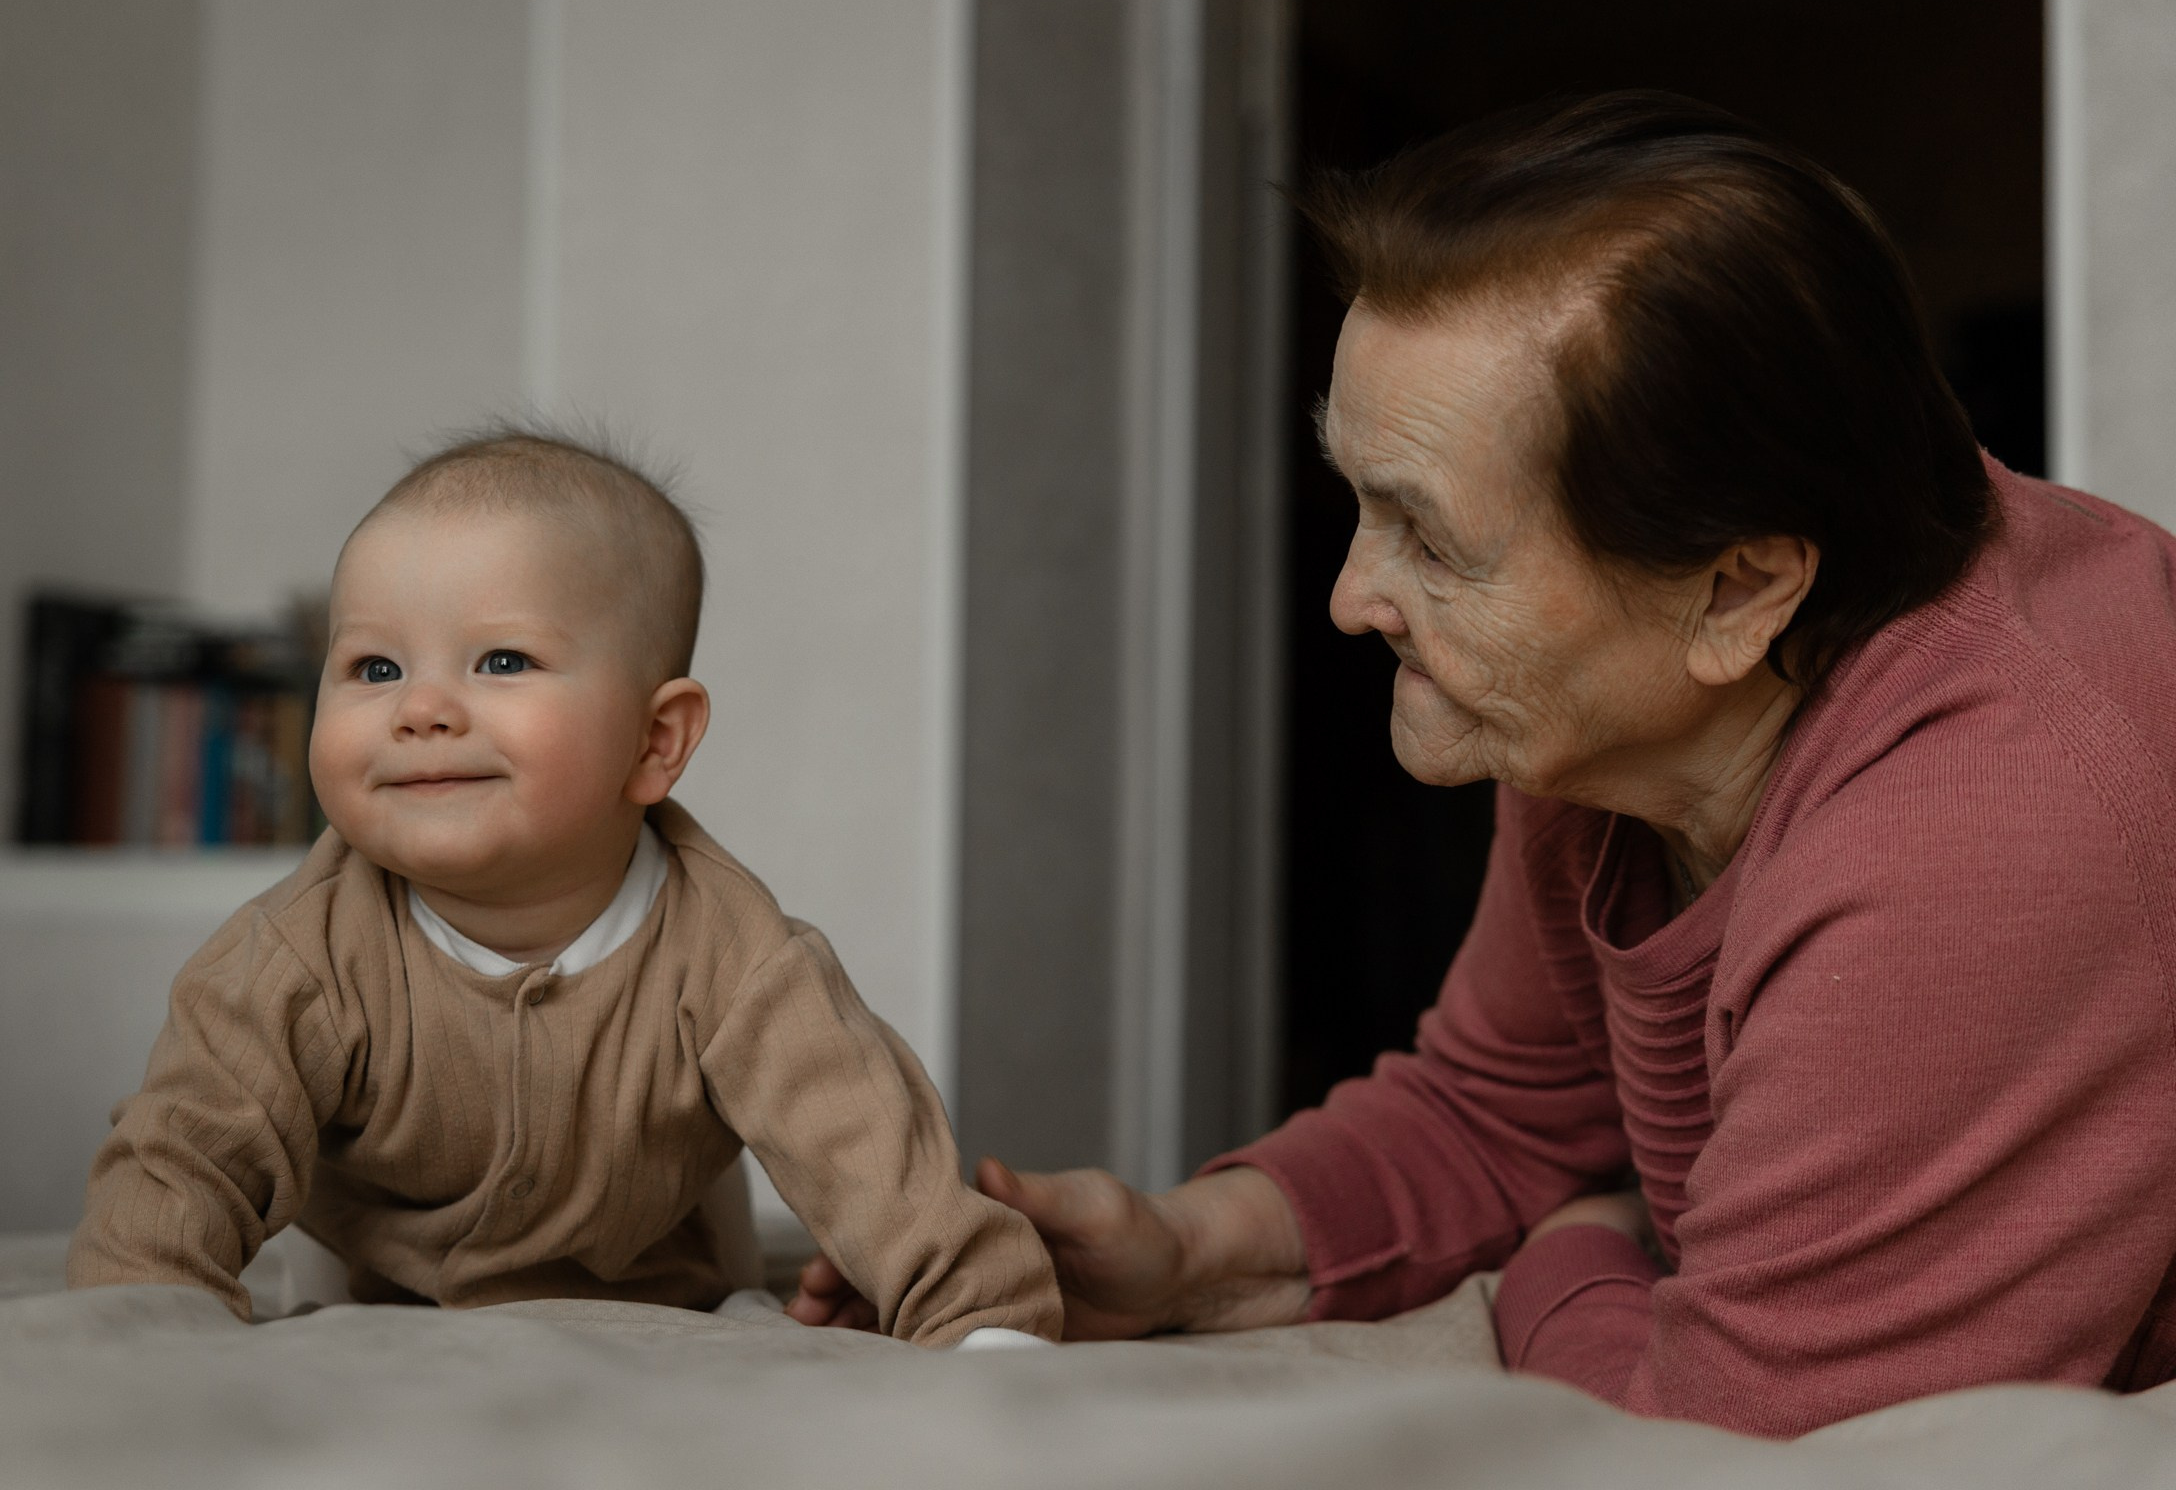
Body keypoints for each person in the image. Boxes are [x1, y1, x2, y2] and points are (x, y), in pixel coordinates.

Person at [792, 91, 2176, 1432]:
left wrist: (1577, 1255)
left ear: (1738, 591)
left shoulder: (1980, 845)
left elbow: (1734, 1453)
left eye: (1432, 541)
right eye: (1357, 503)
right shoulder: (1611, 721)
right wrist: (1187, 1247)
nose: (1349, 598)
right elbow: (1502, 1103)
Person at [69, 429, 1058, 1348]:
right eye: (374, 665)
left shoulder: (734, 953)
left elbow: (872, 1153)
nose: (420, 708)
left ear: (655, 740)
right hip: (373, 1304)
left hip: (668, 1298)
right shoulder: (296, 956)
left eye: (501, 659)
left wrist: (981, 1322)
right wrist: (139, 1332)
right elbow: (185, 1160)